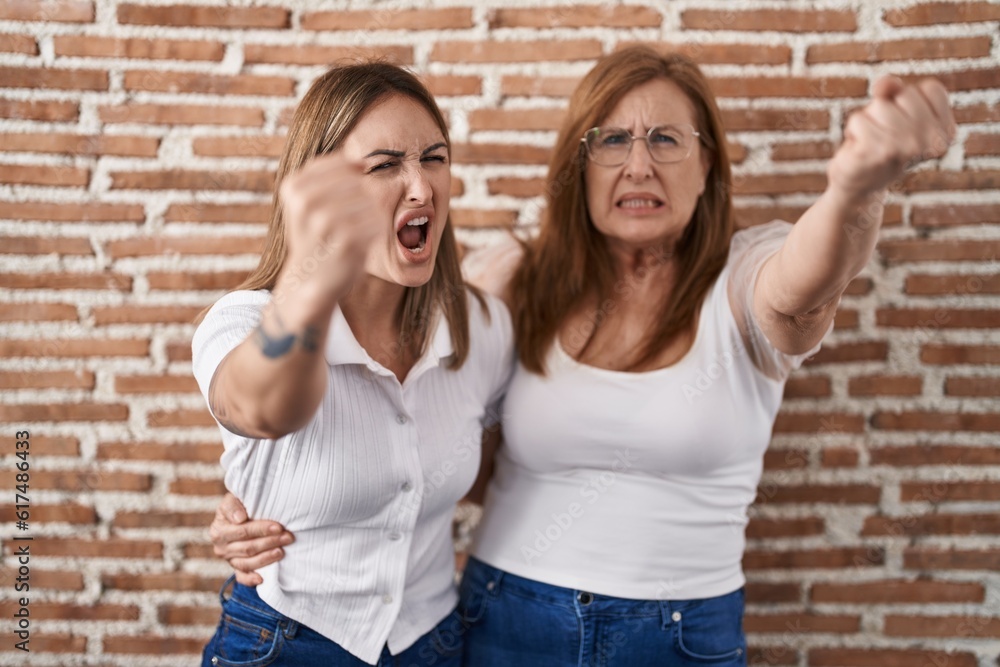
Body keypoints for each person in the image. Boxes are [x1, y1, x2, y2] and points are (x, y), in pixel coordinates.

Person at [208, 46, 955, 666]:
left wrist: (858, 185)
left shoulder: (743, 282)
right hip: (498, 621)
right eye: (612, 142)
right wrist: (267, 491)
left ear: (709, 169)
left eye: (667, 140)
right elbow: (336, 413)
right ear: (581, 167)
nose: (638, 165)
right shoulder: (510, 291)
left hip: (673, 634)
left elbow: (812, 275)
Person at [192, 61, 513, 667]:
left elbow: (495, 465)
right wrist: (309, 280)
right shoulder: (242, 321)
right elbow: (259, 406)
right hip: (287, 642)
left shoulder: (482, 329)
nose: (421, 188)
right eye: (385, 165)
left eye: (435, 158)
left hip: (435, 642)